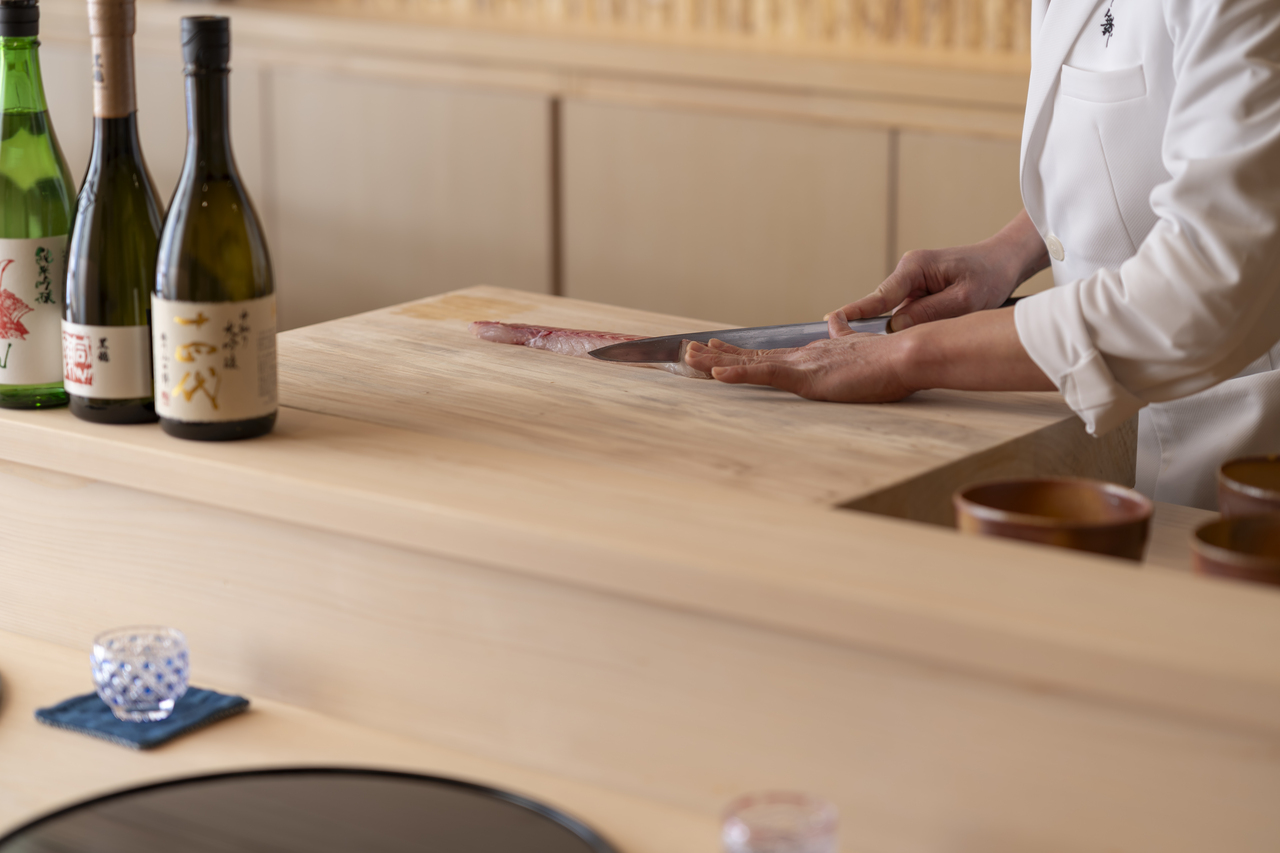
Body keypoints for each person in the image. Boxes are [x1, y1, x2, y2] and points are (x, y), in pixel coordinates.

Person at [684, 0, 1280, 510]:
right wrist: (1010, 251)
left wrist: (908, 357)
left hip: (1237, 452)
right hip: (1114, 445)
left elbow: (1212, 282)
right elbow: (1143, 149)